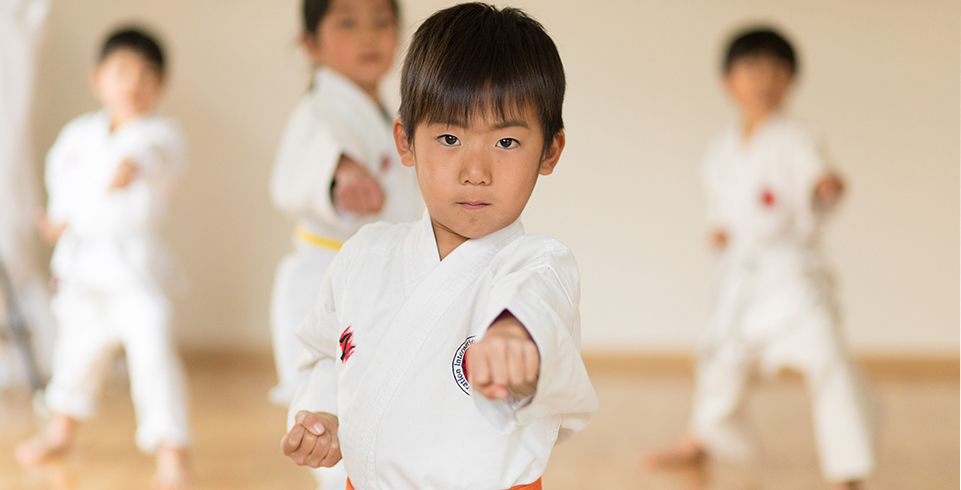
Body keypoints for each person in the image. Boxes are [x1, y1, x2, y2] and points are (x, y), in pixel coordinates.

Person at [280, 4, 598, 489]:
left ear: (550, 151)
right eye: (449, 137)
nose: (476, 170)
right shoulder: (365, 254)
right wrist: (322, 411)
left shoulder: (539, 264)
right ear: (405, 141)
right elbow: (326, 351)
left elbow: (536, 309)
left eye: (506, 143)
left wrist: (517, 341)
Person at [643, 27, 874, 489]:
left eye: (777, 71)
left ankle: (848, 466)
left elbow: (817, 178)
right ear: (729, 81)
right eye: (753, 70)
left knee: (827, 357)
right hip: (741, 274)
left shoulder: (797, 138)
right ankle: (700, 439)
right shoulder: (721, 149)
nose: (765, 80)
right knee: (719, 357)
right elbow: (723, 204)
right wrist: (720, 230)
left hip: (790, 274)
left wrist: (826, 187)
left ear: (791, 82)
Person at [14, 27, 191, 490]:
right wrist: (57, 223)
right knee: (75, 356)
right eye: (122, 72)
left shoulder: (159, 136)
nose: (134, 84)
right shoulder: (76, 138)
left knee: (153, 357)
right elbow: (65, 197)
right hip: (84, 272)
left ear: (161, 85)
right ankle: (59, 432)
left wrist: (135, 165)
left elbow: (155, 156)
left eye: (147, 75)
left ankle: (172, 452)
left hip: (134, 275)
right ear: (98, 79)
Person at [268, 0, 421, 487]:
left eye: (382, 22)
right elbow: (308, 160)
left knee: (377, 416)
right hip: (323, 282)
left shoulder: (385, 112)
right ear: (310, 44)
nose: (369, 36)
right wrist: (340, 171)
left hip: (376, 286)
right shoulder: (320, 112)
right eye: (348, 23)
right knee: (331, 413)